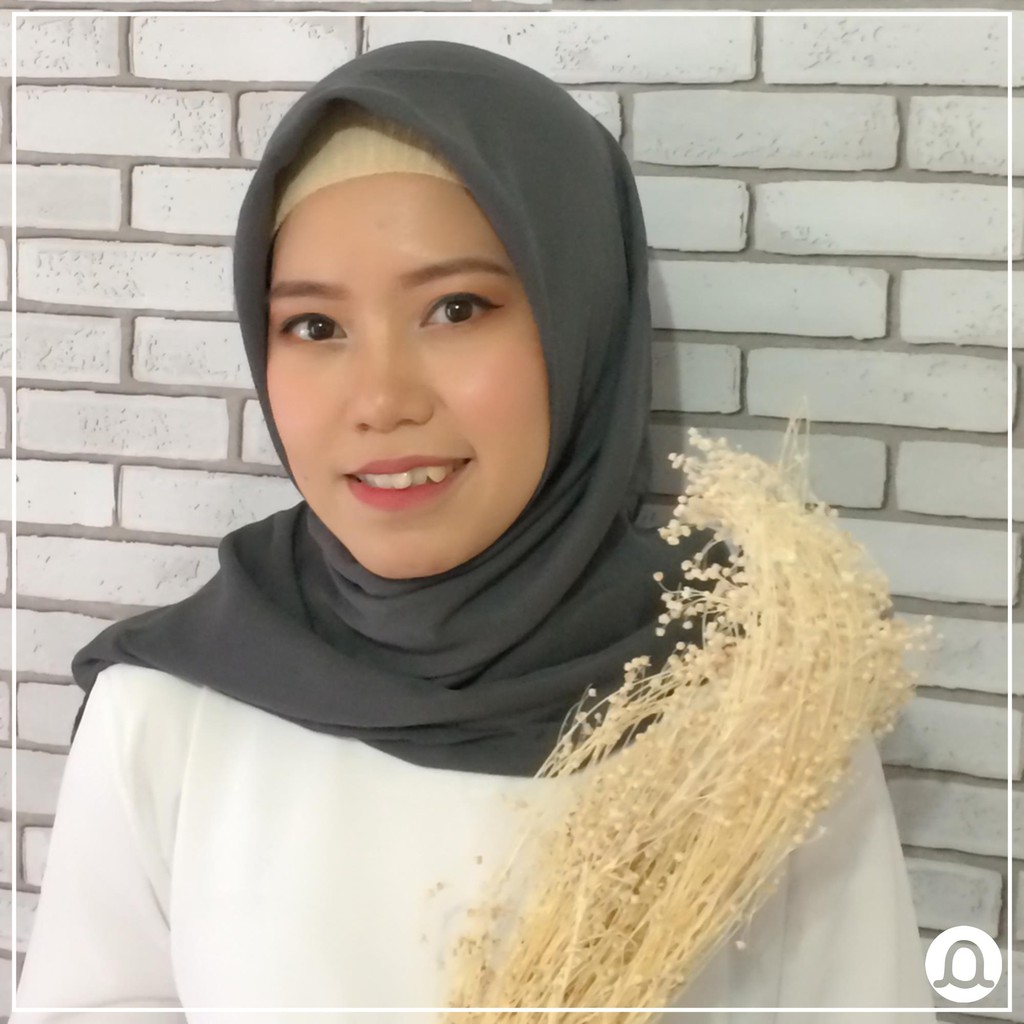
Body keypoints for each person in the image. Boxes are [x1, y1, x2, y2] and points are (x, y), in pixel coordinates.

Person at [10, 40, 938, 1023]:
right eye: (316, 327)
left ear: (581, 323)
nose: (380, 399)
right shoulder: (168, 712)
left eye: (455, 309)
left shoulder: (758, 712)